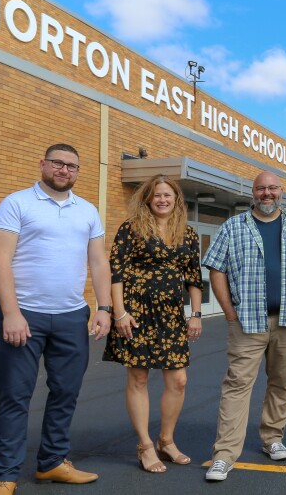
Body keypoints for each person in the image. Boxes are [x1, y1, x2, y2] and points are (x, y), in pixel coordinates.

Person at [0, 144, 112, 495]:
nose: (64, 170)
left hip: (72, 317)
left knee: (66, 393)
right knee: (15, 395)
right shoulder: (16, 203)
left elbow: (99, 262)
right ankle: (6, 475)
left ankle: (53, 462)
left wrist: (104, 308)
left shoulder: (87, 210)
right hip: (24, 314)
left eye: (72, 166)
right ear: (43, 164)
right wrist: (11, 312)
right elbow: (0, 260)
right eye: (58, 163)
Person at [202, 170, 286, 482]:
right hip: (247, 321)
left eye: (272, 188)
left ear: (281, 191)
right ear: (252, 192)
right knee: (237, 385)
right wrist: (230, 312)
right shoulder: (233, 227)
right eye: (261, 188)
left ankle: (272, 438)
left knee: (281, 382)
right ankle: (224, 454)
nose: (266, 194)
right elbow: (216, 268)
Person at [102, 175, 204, 473]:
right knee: (139, 379)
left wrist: (195, 314)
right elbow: (116, 272)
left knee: (179, 380)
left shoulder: (187, 233)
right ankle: (145, 445)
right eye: (157, 195)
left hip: (172, 314)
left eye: (167, 195)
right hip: (136, 313)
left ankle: (166, 440)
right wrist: (119, 313)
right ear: (148, 198)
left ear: (176, 200)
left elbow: (193, 277)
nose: (162, 200)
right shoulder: (131, 228)